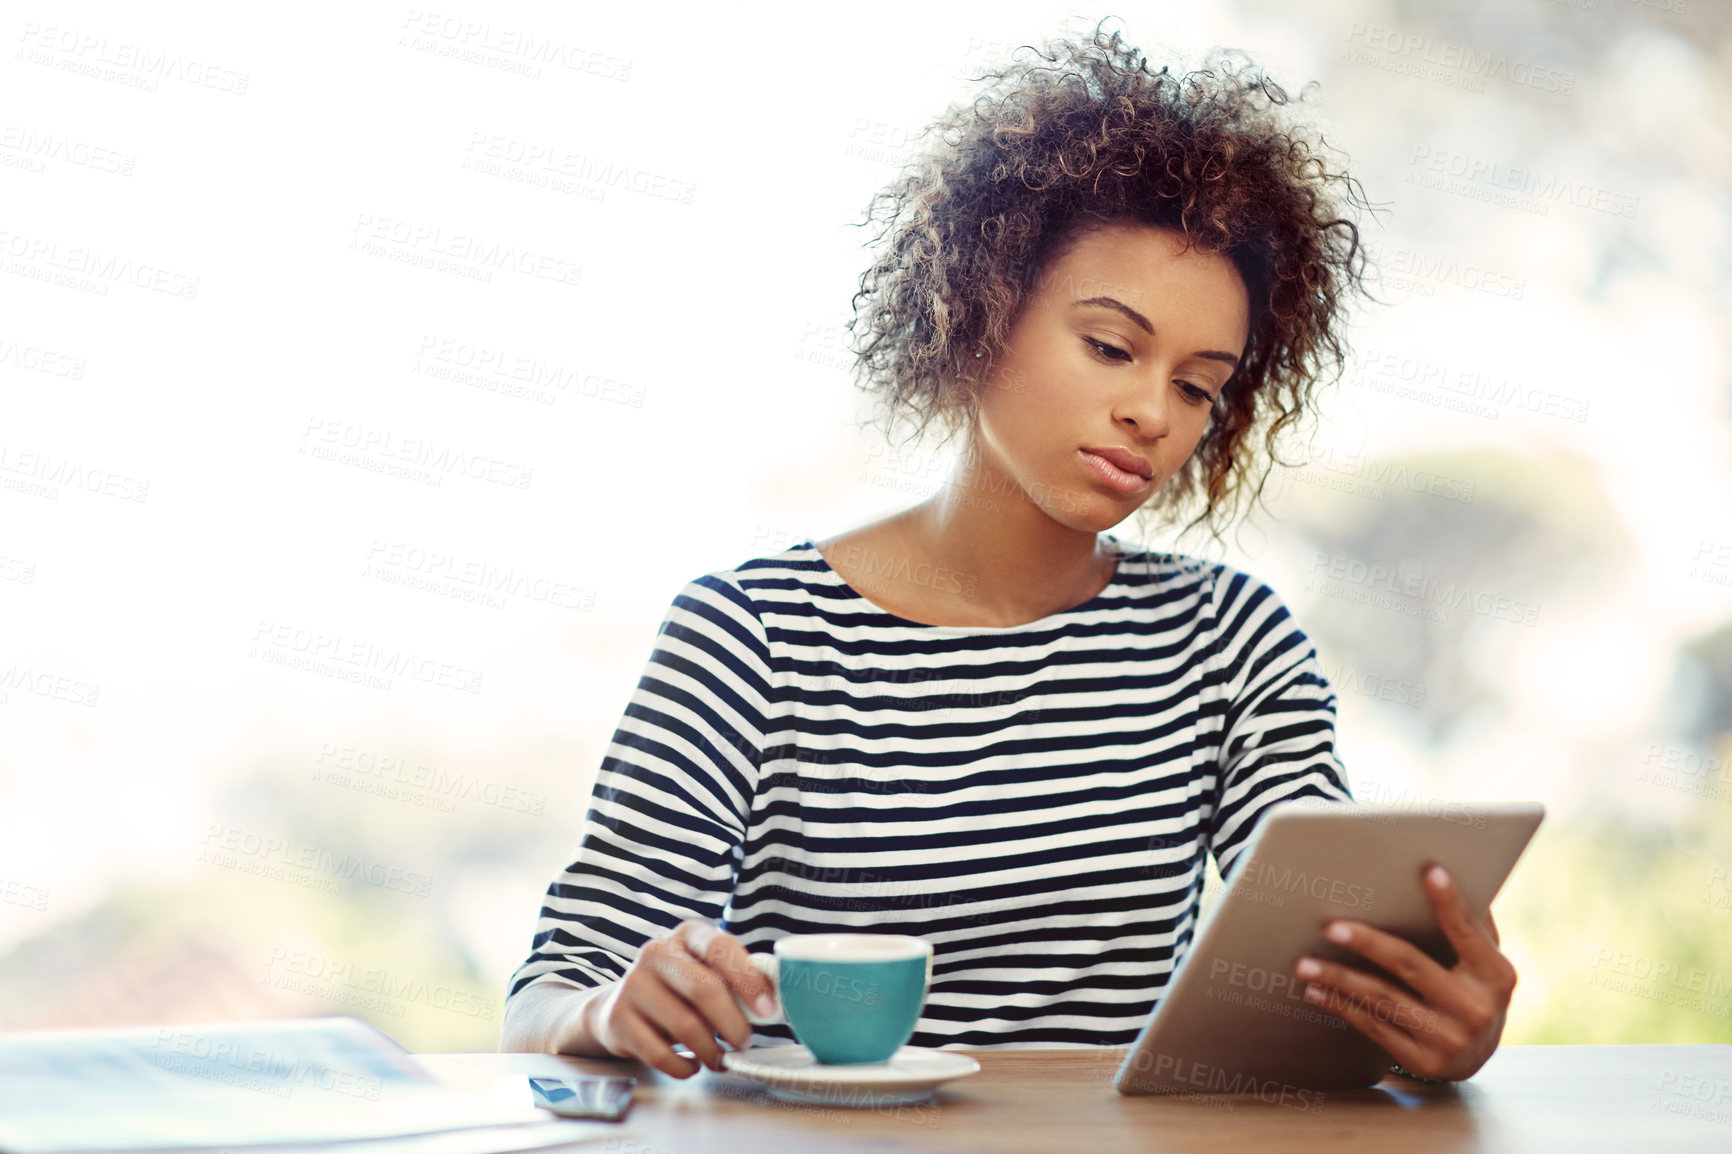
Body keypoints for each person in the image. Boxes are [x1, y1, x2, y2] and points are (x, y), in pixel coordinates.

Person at [499, 19, 1519, 1084]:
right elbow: (549, 993)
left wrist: (1430, 1022)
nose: (1149, 413)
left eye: (1196, 385)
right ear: (977, 308)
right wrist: (613, 1007)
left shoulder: (1227, 639)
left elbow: (1330, 965)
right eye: (1111, 347)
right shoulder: (752, 632)